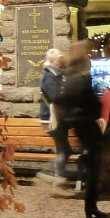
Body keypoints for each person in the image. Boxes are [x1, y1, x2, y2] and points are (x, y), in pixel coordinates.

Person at [53, 52, 110, 218]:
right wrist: (96, 110)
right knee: (94, 165)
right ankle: (91, 206)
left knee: (91, 160)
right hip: (87, 124)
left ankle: (91, 205)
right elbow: (92, 103)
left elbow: (61, 100)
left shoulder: (68, 79)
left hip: (77, 125)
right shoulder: (83, 79)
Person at [39, 48, 70, 179]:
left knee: (65, 150)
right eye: (59, 59)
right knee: (63, 150)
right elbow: (55, 96)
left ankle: (54, 173)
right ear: (52, 61)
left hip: (57, 117)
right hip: (53, 117)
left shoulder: (56, 74)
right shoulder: (49, 76)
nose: (62, 61)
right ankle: (55, 175)